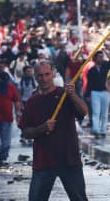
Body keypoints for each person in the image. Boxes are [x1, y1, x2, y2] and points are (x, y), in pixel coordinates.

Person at [19, 61, 88, 201]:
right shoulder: (32, 101)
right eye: (40, 76)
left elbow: (83, 111)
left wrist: (73, 95)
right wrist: (41, 129)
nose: (44, 79)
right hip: (43, 160)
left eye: (47, 74)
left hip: (69, 158)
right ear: (35, 77)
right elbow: (25, 132)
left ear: (53, 74)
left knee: (79, 198)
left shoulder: (64, 94)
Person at [85, 50, 110, 138]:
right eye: (99, 57)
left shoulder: (106, 66)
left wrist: (107, 51)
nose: (101, 58)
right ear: (95, 58)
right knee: (96, 112)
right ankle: (96, 129)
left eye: (102, 57)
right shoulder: (91, 70)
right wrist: (88, 94)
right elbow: (89, 83)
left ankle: (103, 130)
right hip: (95, 92)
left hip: (105, 92)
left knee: (104, 112)